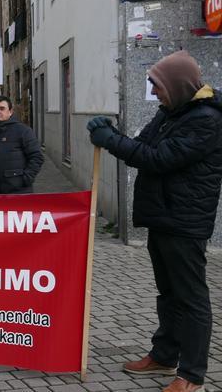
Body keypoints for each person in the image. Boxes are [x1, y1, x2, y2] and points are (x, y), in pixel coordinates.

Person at [87, 51, 222, 392]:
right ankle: (164, 355)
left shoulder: (206, 119)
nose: (154, 92)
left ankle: (191, 375)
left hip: (185, 221)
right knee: (169, 294)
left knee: (190, 299)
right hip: (163, 217)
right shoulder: (170, 113)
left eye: (157, 85)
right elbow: (140, 146)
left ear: (177, 84)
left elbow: (158, 158)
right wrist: (110, 131)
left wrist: (110, 141)